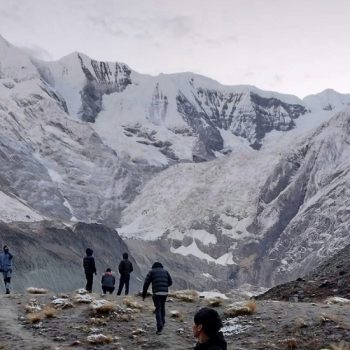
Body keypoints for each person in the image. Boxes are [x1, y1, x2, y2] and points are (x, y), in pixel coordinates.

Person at [142, 262, 172, 334]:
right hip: (165, 293)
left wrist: (144, 294)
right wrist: (164, 286)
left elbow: (146, 283)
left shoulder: (152, 272)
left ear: (153, 267)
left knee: (158, 308)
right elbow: (170, 282)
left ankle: (159, 326)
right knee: (162, 306)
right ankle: (163, 321)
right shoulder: (165, 271)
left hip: (157, 292)